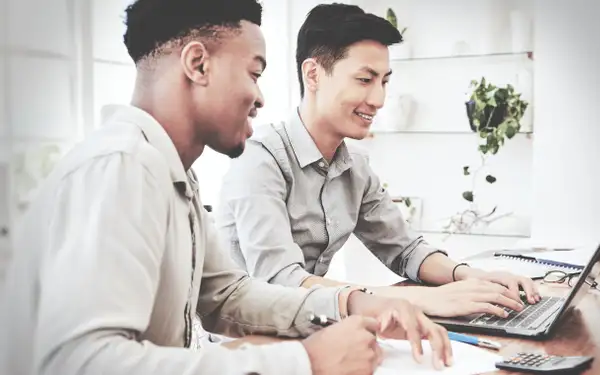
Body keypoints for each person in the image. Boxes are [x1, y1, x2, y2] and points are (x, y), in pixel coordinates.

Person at [0, 1, 456, 375]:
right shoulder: (123, 167)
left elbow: (227, 295)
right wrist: (304, 361)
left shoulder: (171, 171)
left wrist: (351, 304)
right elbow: (81, 362)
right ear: (197, 64)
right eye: (254, 74)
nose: (260, 97)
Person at [214, 2, 541, 320]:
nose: (379, 99)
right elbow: (281, 284)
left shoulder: (354, 166)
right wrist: (420, 299)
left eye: (384, 81)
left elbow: (405, 250)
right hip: (251, 346)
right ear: (313, 74)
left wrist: (472, 277)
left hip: (319, 328)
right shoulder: (259, 161)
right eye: (364, 79)